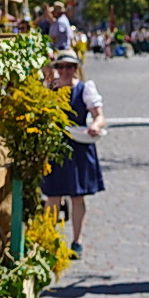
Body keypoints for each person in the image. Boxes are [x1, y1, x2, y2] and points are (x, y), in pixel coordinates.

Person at [40, 49, 105, 258]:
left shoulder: (84, 89)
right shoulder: (50, 89)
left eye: (69, 67)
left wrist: (95, 125)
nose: (65, 71)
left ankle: (77, 240)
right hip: (56, 145)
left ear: (76, 69)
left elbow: (99, 116)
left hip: (79, 144)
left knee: (77, 196)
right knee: (53, 196)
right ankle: (48, 238)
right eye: (61, 67)